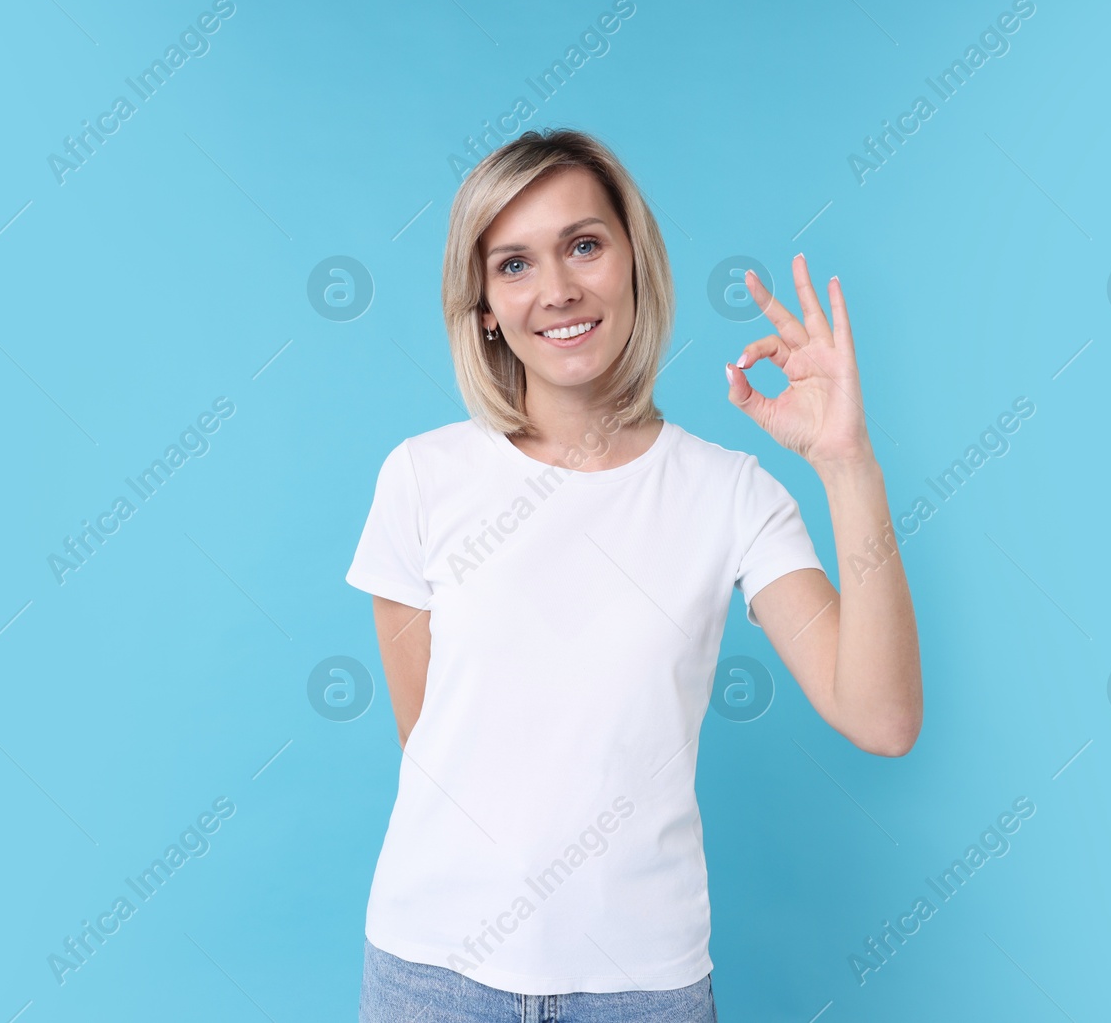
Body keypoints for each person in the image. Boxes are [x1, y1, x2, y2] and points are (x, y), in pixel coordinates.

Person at [346, 128, 921, 1021]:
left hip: (640, 991)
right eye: (514, 264)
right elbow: (429, 740)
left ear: (633, 262)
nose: (559, 289)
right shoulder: (421, 478)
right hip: (432, 975)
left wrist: (848, 463)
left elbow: (881, 716)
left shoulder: (731, 495)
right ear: (485, 306)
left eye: (584, 244)